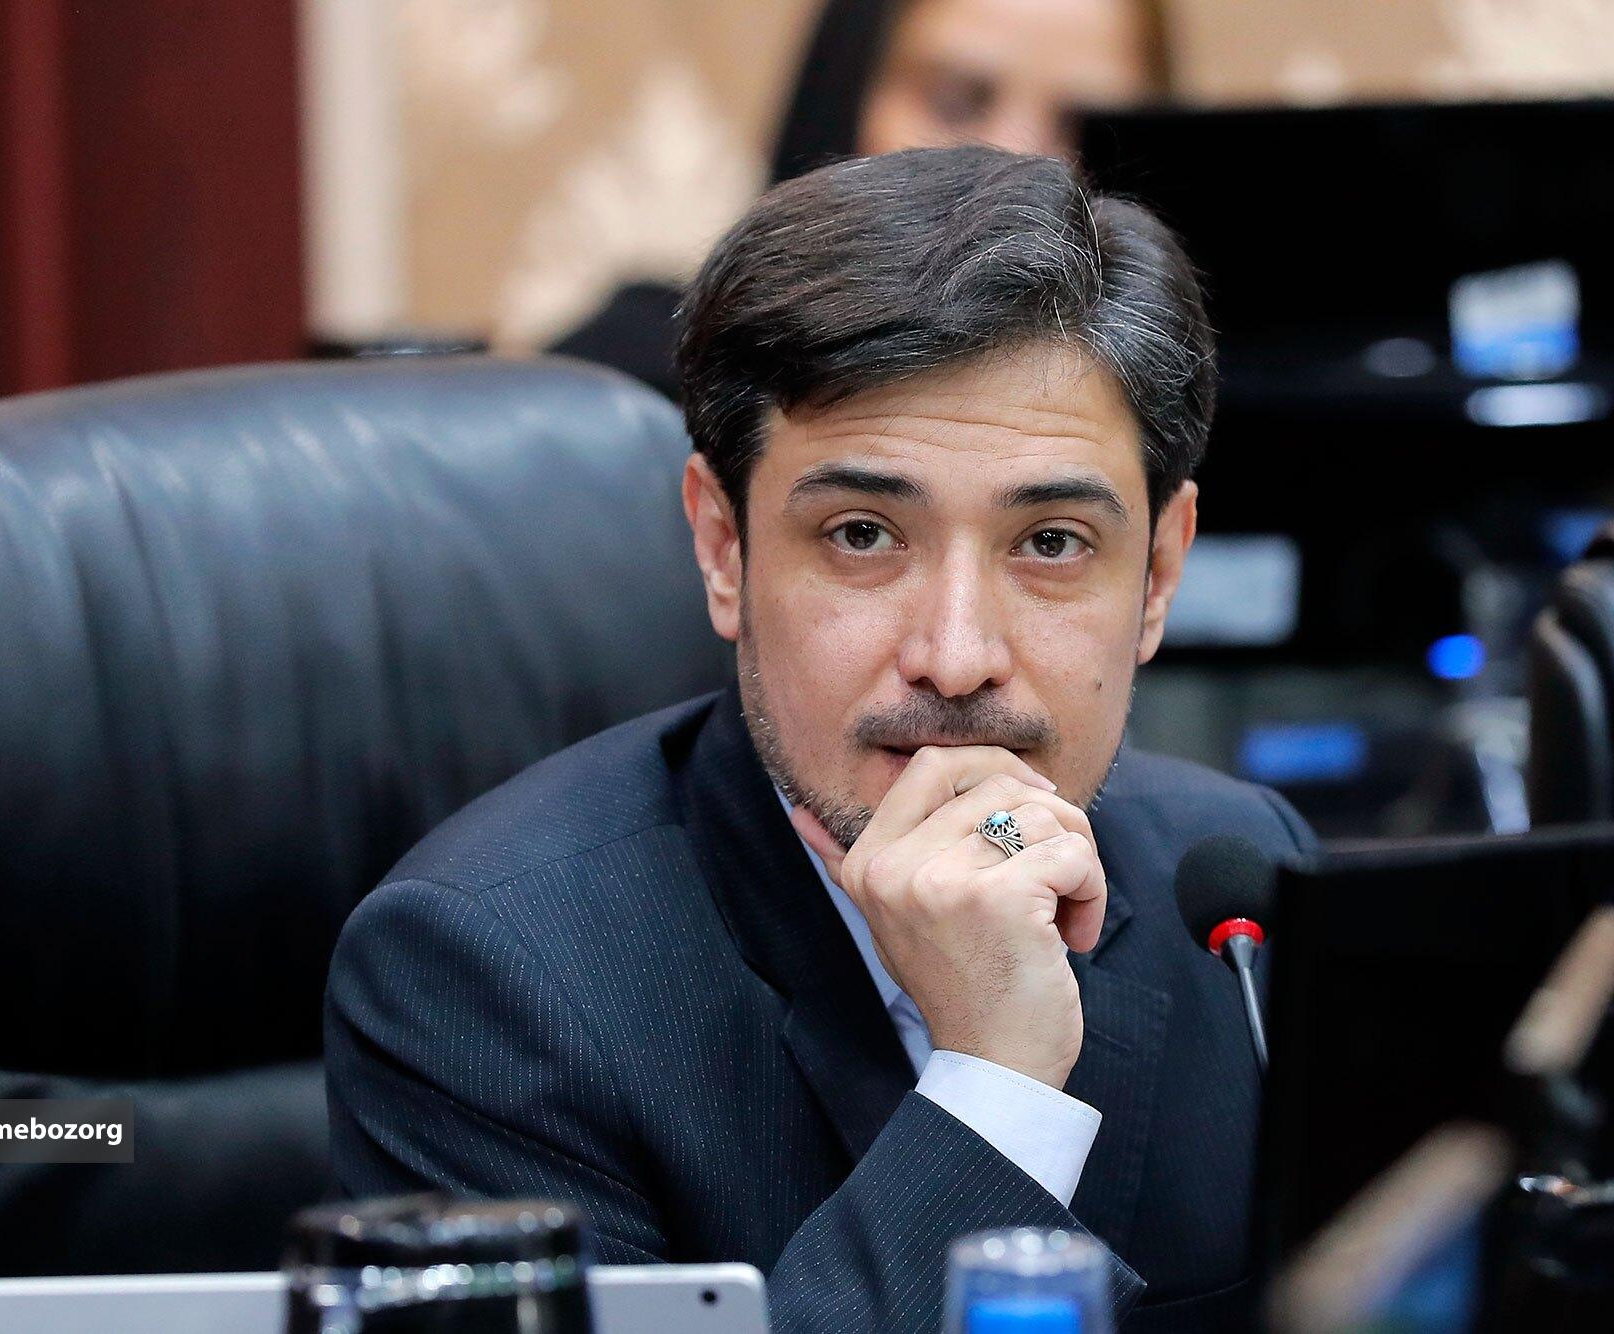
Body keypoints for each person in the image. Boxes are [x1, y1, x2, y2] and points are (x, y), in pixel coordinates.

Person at [326, 146, 1314, 1332]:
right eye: (860, 534)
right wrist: (995, 1081)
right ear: (722, 547)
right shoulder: (490, 978)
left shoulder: (1238, 893)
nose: (955, 655)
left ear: (1156, 574)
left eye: (1050, 542)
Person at [553, 0, 1167, 397]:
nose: (1021, 163)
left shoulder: (1184, 419)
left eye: (1090, 127)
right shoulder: (637, 394)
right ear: (839, 100)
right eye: (954, 101)